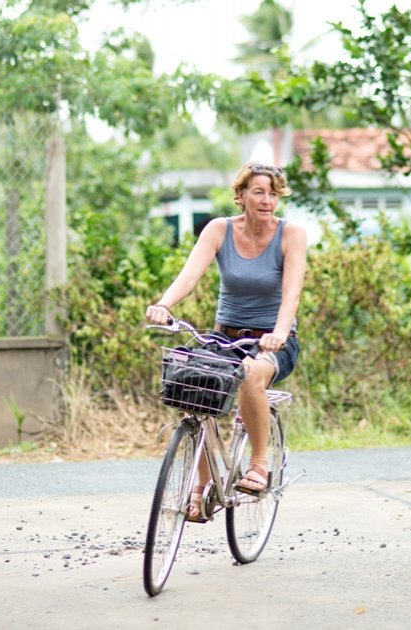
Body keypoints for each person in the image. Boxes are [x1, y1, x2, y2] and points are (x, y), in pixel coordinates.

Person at [146, 162, 307, 520]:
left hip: (274, 340)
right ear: (241, 195)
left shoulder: (291, 235)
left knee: (250, 374)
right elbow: (189, 276)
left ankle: (259, 465)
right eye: (258, 192)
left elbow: (292, 293)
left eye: (273, 193)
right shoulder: (219, 230)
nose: (266, 200)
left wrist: (279, 333)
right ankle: (203, 486)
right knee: (193, 387)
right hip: (225, 336)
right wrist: (164, 305)